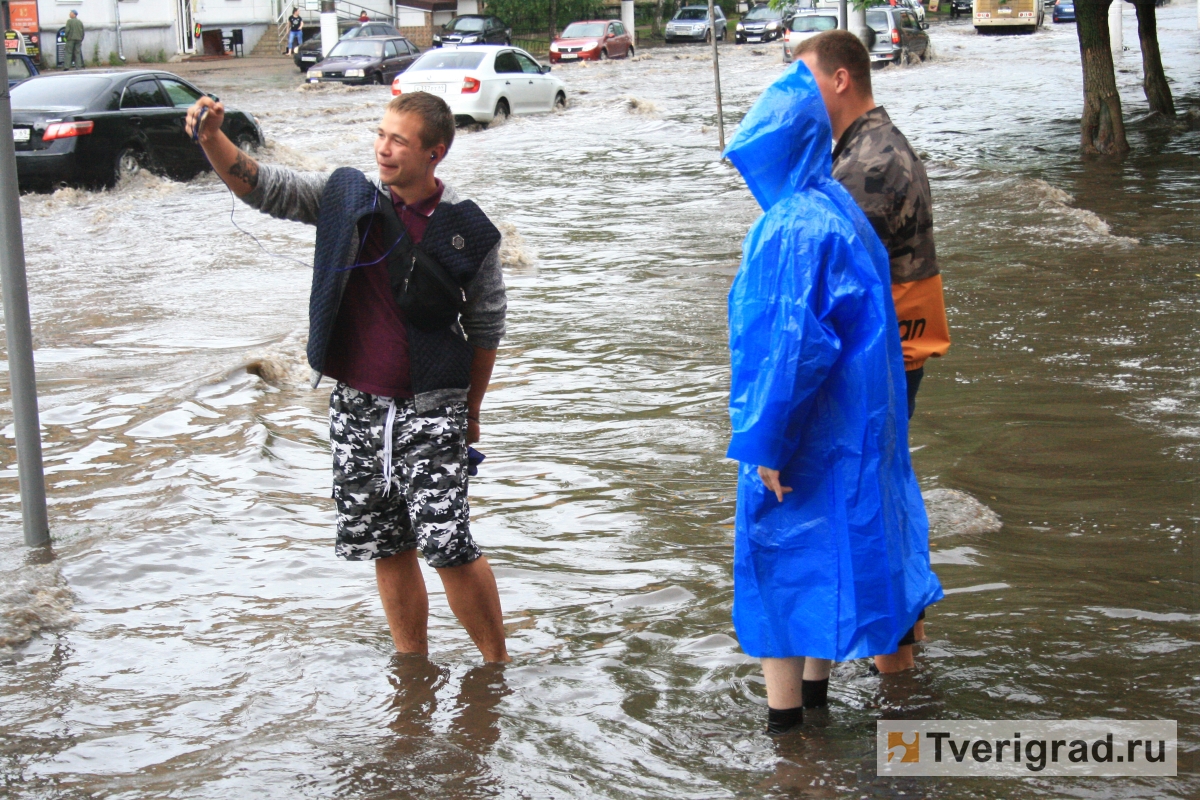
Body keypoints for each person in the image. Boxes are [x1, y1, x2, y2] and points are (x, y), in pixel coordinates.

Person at [185, 91, 511, 664]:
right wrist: (213, 138)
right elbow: (265, 187)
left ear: (435, 153)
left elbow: (486, 326)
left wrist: (472, 411)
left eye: (399, 141)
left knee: (448, 544)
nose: (383, 150)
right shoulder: (345, 197)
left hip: (434, 407)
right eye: (380, 135)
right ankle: (412, 669)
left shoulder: (468, 229)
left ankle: (496, 666)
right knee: (387, 544)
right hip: (357, 406)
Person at [723, 60, 943, 735]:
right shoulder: (837, 206)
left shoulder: (787, 227)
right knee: (829, 559)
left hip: (810, 433)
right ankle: (827, 707)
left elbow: (789, 349)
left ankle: (788, 742)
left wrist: (767, 443)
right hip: (856, 423)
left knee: (779, 570)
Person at [796, 30, 950, 675]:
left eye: (803, 80)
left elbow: (823, 278)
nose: (794, 96)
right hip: (888, 359)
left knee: (869, 515)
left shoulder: (866, 165)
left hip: (876, 367)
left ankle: (900, 685)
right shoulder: (867, 147)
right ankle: (900, 673)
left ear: (839, 80)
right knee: (877, 505)